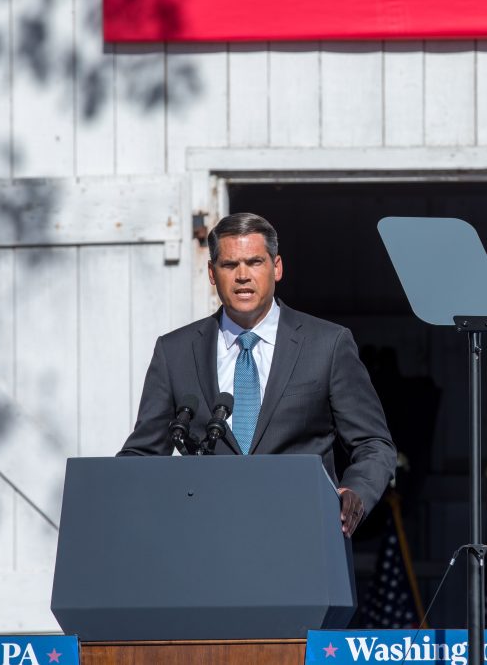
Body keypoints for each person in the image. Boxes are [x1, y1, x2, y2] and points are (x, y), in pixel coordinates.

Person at [118, 213, 396, 537]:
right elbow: (142, 455)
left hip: (304, 537)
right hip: (205, 541)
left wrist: (355, 492)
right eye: (229, 265)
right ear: (211, 272)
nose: (242, 276)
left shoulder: (328, 345)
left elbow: (374, 444)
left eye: (254, 262)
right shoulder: (174, 352)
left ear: (276, 267)